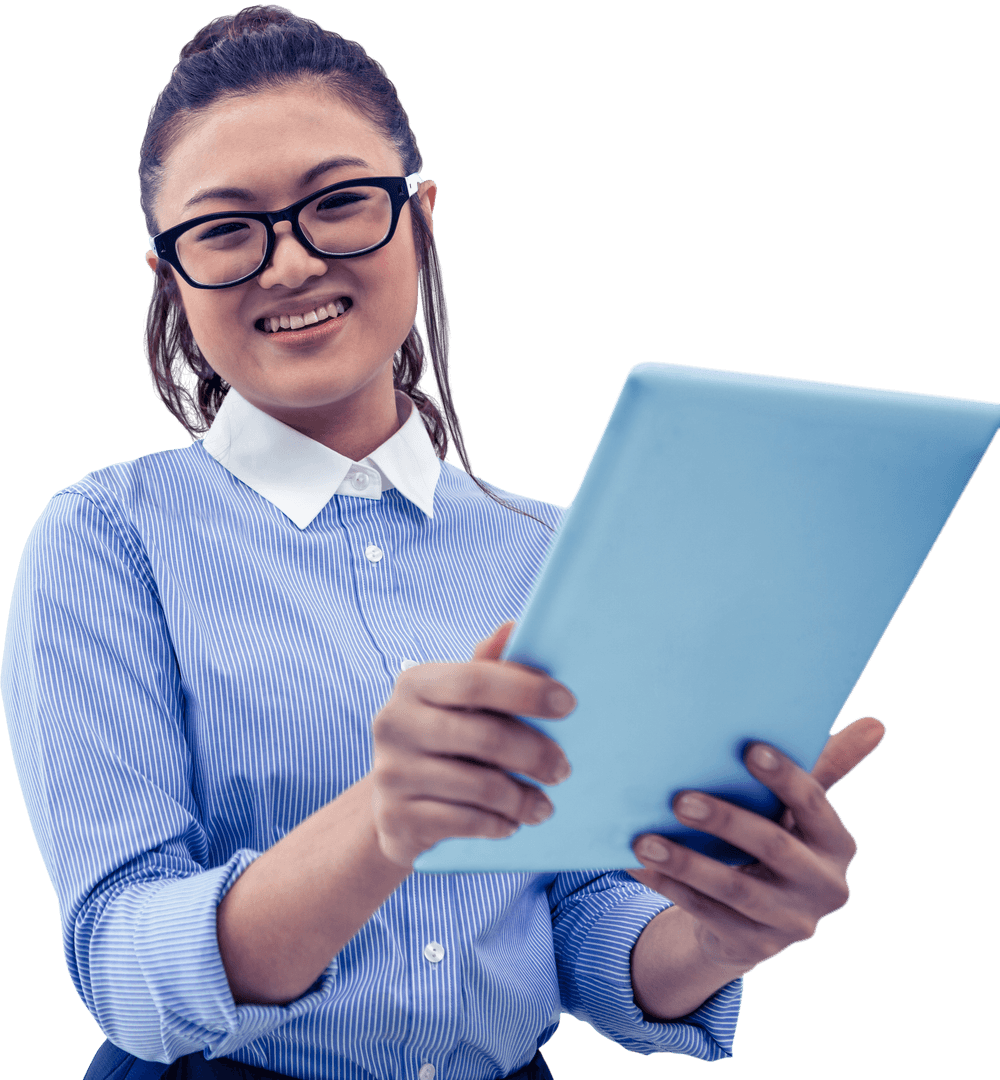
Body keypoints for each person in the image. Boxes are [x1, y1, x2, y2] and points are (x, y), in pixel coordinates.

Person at [1, 7, 884, 1080]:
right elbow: (122, 964)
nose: (287, 263)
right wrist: (384, 818)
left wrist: (721, 931)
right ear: (169, 272)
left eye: (339, 203)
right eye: (225, 230)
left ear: (419, 216)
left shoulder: (556, 548)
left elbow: (577, 918)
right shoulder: (105, 543)